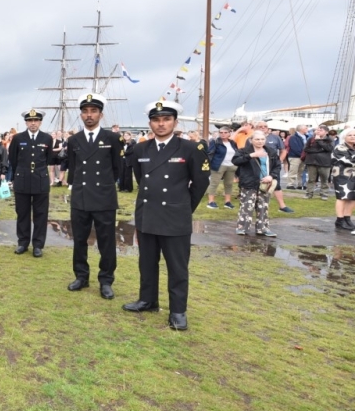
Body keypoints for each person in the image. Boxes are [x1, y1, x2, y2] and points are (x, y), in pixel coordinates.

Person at [122, 100, 209, 331]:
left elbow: (200, 183)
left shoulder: (190, 148)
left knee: (177, 267)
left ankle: (178, 311)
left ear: (175, 122)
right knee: (147, 262)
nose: (161, 124)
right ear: (150, 123)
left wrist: (182, 206)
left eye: (166, 119)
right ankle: (147, 300)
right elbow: (141, 179)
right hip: (148, 213)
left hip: (175, 216)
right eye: (156, 120)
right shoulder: (140, 149)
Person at [66, 93, 123, 299]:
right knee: (79, 240)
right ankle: (81, 276)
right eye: (85, 111)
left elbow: (117, 168)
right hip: (80, 197)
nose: (89, 115)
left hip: (103, 197)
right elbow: (73, 168)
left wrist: (104, 185)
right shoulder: (73, 140)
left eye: (93, 111)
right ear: (81, 115)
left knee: (106, 242)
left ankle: (106, 280)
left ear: (101, 114)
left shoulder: (113, 138)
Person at [8, 108, 59, 257]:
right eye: (30, 120)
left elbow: (48, 158)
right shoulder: (18, 138)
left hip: (40, 180)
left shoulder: (46, 138)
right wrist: (19, 173)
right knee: (22, 213)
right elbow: (13, 158)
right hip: (22, 179)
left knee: (41, 214)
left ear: (40, 122)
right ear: (26, 122)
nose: (33, 123)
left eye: (36, 120)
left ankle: (38, 245)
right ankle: (23, 243)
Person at [231, 130, 281, 238]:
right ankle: (242, 228)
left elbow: (277, 166)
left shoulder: (271, 151)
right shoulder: (244, 151)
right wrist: (251, 155)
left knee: (263, 207)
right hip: (249, 182)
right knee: (246, 206)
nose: (260, 141)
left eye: (262, 139)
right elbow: (235, 161)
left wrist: (271, 176)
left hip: (265, 183)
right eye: (257, 139)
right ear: (251, 140)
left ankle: (262, 228)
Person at [254, 121, 294, 214]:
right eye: (260, 126)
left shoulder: (275, 137)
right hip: (256, 165)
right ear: (256, 128)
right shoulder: (252, 138)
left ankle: (282, 206)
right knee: (255, 185)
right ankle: (255, 205)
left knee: (276, 184)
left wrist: (279, 161)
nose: (263, 128)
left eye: (265, 126)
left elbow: (283, 150)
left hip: (272, 165)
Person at [206, 126, 237, 210]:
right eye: (221, 132)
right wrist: (210, 164)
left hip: (231, 165)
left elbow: (236, 152)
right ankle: (211, 201)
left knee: (229, 184)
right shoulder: (215, 142)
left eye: (225, 132)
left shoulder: (232, 143)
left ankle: (227, 202)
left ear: (229, 133)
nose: (223, 134)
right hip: (218, 165)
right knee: (214, 183)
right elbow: (210, 153)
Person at [330, 129, 355, 230]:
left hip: (353, 175)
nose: (353, 137)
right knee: (342, 197)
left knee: (352, 197)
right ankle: (340, 220)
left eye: (354, 135)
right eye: (350, 135)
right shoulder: (339, 148)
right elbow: (349, 161)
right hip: (342, 176)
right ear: (344, 137)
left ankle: (347, 218)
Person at [304, 125, 333, 201]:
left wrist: (319, 141)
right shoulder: (311, 139)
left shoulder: (329, 139)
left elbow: (329, 149)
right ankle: (309, 193)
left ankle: (324, 194)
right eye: (317, 130)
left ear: (326, 132)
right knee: (311, 179)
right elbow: (306, 149)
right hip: (311, 161)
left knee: (324, 179)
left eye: (321, 130)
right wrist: (320, 150)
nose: (318, 131)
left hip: (324, 162)